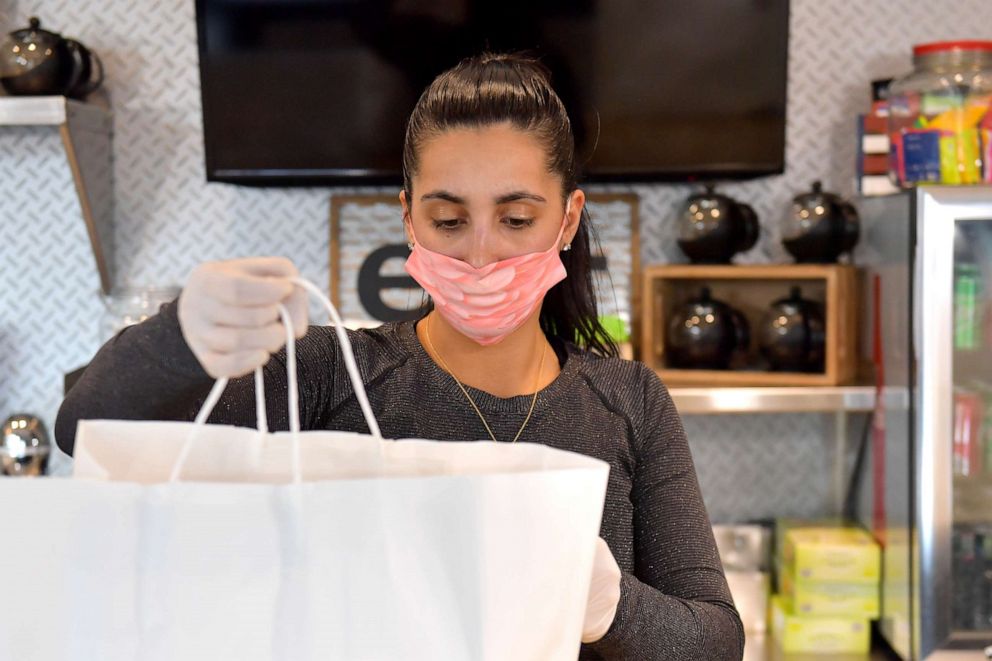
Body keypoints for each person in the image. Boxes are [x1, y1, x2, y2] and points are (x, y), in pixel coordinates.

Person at [56, 52, 744, 660]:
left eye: (516, 218)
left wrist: (603, 601)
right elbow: (83, 425)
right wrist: (182, 338)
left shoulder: (628, 400)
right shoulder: (332, 373)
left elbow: (716, 642)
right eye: (448, 220)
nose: (480, 253)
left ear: (566, 219)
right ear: (409, 217)